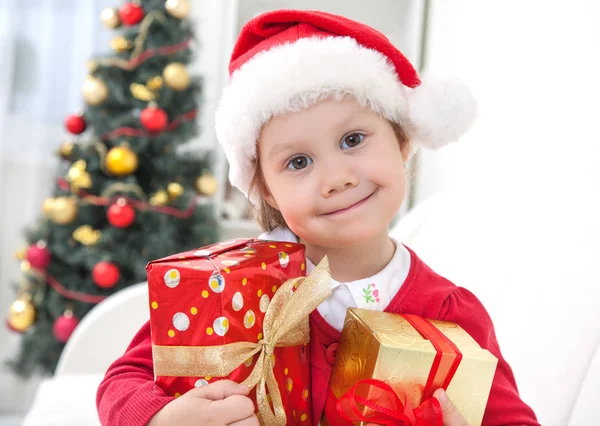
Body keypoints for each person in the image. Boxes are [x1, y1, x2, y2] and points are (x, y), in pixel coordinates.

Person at [97, 10, 539, 426]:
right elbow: (122, 381)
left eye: (352, 139)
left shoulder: (451, 314)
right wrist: (160, 417)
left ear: (402, 142)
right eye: (298, 162)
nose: (335, 179)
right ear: (265, 187)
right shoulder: (229, 289)